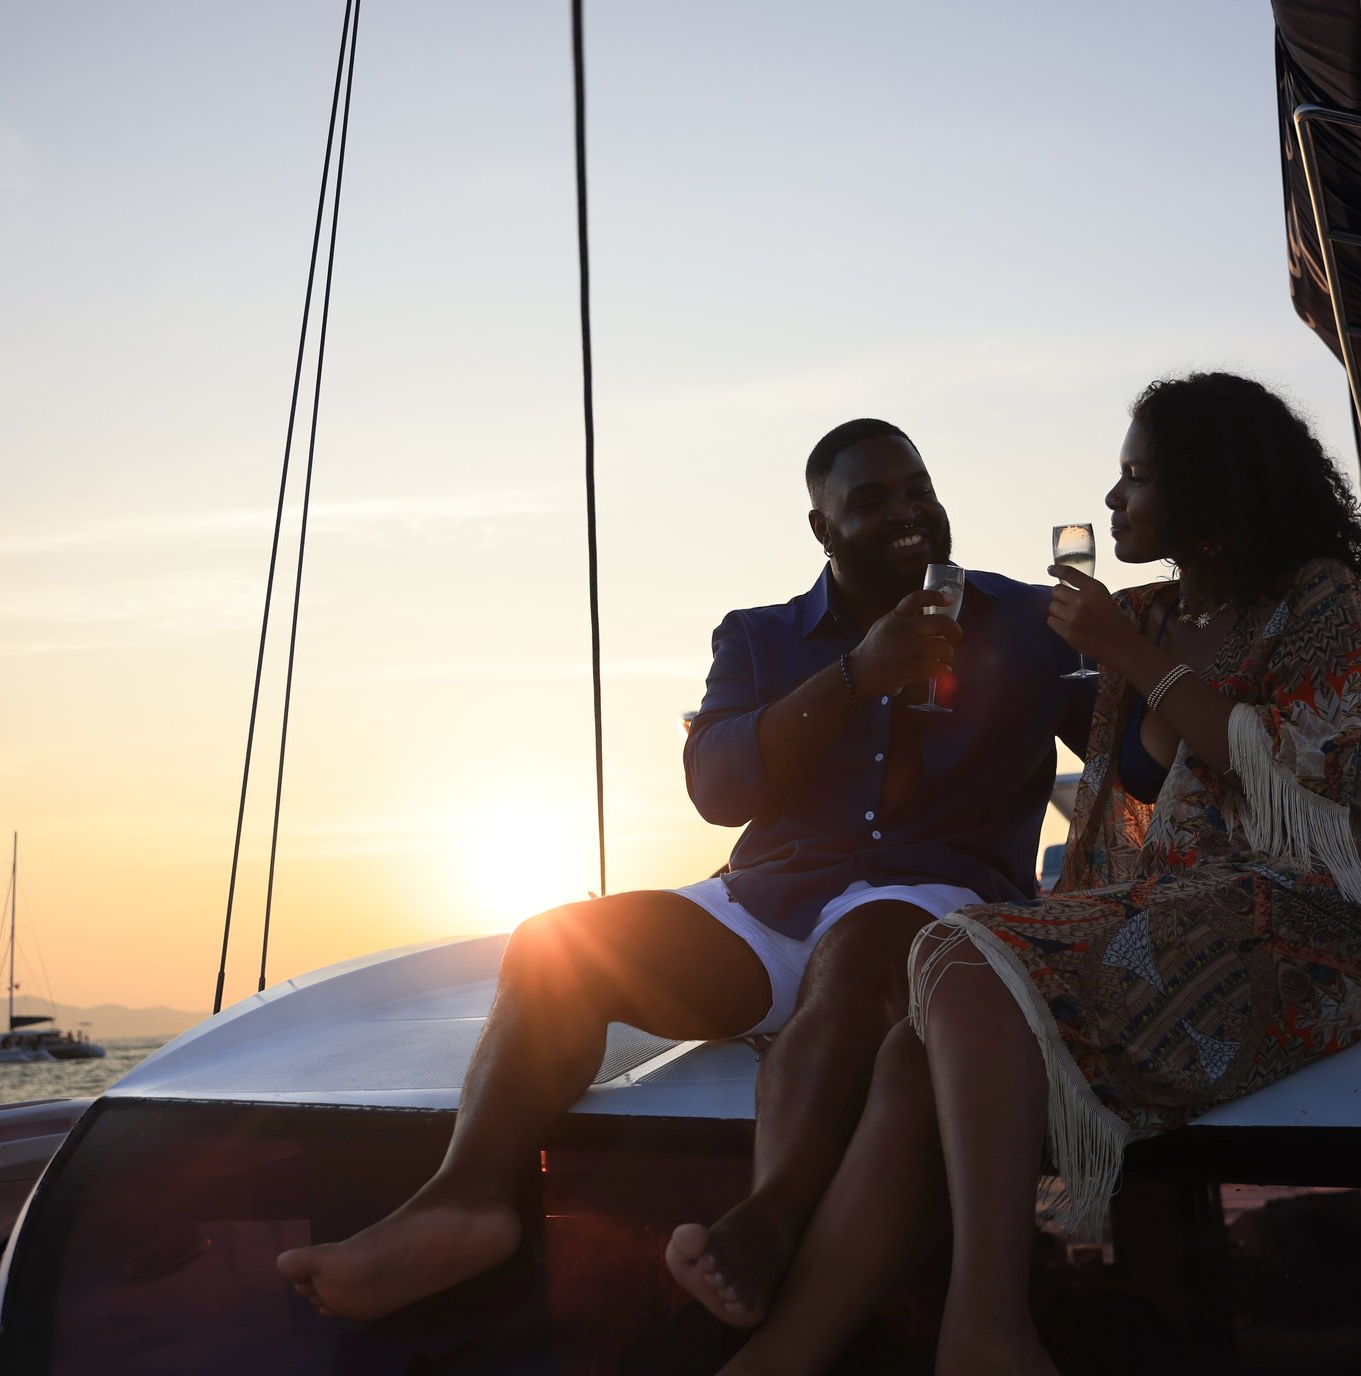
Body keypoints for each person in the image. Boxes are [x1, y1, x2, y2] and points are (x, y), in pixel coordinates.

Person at [537, 372, 1361, 1376]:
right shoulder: (1156, 612)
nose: (1112, 497)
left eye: (1137, 477)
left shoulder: (1315, 605)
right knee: (917, 1041)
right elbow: (1139, 779)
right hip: (1163, 919)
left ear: (1211, 489)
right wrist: (1115, 656)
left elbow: (1300, 789)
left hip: (1304, 924)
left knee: (950, 949)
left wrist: (1124, 657)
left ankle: (988, 1333)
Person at [278, 418, 1087, 1323]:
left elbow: (1132, 755)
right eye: (872, 500)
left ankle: (771, 1225)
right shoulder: (759, 638)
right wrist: (855, 676)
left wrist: (1150, 649)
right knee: (558, 942)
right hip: (771, 898)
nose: (909, 512)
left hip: (937, 898)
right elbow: (717, 787)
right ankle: (465, 1202)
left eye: (918, 490)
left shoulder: (1029, 623)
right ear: (821, 528)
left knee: (861, 954)